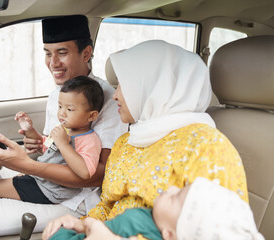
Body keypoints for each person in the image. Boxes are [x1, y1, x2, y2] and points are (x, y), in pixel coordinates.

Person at [43, 40, 249, 237]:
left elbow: (213, 232)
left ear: (154, 88)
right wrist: (80, 225)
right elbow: (107, 205)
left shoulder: (206, 146)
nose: (115, 96)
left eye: (124, 86)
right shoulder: (126, 142)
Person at [0, 15, 125, 239]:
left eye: (62, 53)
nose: (53, 63)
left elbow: (96, 176)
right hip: (44, 177)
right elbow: (55, 147)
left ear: (86, 53)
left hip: (72, 197)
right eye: (47, 53)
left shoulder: (108, 100)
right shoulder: (58, 94)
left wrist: (26, 165)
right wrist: (35, 146)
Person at [0, 76, 104, 203]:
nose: (62, 113)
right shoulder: (62, 130)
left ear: (91, 116)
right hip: (41, 179)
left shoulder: (90, 140)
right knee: (2, 185)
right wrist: (30, 131)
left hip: (52, 190)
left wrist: (64, 144)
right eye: (60, 107)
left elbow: (85, 172)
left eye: (69, 109)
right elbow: (46, 148)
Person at [43, 177, 263, 240]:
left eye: (176, 197)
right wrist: (82, 226)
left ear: (169, 234)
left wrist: (63, 233)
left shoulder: (137, 225)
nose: (171, 187)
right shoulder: (152, 225)